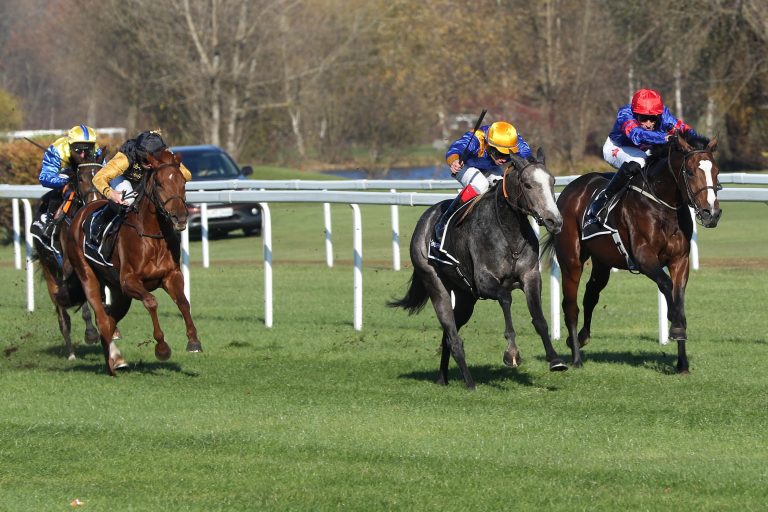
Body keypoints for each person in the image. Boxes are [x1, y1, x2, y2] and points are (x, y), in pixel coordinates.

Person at [583, 88, 700, 232]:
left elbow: (685, 130)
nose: (649, 123)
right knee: (640, 161)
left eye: (653, 118)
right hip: (617, 147)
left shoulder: (664, 115)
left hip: (644, 149)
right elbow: (636, 135)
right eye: (643, 118)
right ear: (635, 113)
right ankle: (600, 204)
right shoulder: (625, 114)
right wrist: (665, 138)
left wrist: (698, 145)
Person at [430, 120, 531, 260]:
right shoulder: (476, 138)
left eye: (507, 155)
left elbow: (527, 155)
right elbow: (455, 149)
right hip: (465, 166)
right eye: (500, 153)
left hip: (489, 167)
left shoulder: (514, 139)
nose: (504, 159)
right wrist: (454, 161)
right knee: (480, 183)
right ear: (489, 146)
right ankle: (446, 220)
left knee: (502, 187)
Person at [89, 130, 192, 240]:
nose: (150, 163)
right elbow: (98, 178)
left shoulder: (165, 154)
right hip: (123, 177)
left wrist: (171, 165)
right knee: (128, 199)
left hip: (142, 180)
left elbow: (187, 175)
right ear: (139, 153)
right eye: (145, 159)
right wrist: (110, 193)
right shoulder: (125, 158)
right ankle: (100, 223)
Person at [33, 124, 101, 239]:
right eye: (78, 149)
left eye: (88, 149)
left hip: (87, 180)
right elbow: (45, 177)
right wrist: (68, 180)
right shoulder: (57, 150)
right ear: (70, 145)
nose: (83, 154)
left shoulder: (97, 151)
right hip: (66, 176)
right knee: (68, 190)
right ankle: (51, 222)